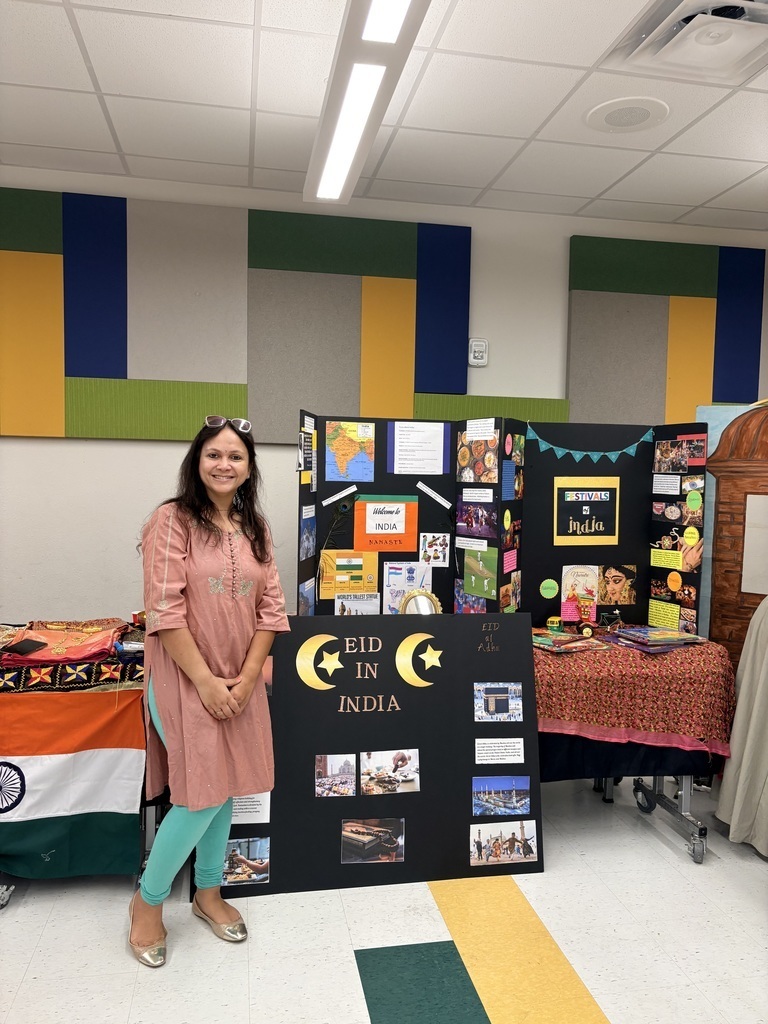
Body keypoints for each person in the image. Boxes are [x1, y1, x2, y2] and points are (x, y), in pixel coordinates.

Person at [128, 414, 289, 968]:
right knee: (200, 793)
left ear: (248, 469)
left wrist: (245, 680)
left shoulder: (256, 528)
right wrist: (205, 682)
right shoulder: (169, 521)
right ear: (198, 462)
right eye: (214, 454)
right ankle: (147, 904)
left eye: (236, 456)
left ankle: (208, 892)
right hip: (182, 676)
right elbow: (164, 610)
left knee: (229, 785)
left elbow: (271, 609)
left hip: (242, 676)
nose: (225, 464)